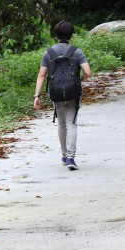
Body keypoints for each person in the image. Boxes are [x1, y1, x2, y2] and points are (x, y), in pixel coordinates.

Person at [34, 20, 92, 170]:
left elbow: (41, 75)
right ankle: (72, 157)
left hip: (56, 92)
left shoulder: (49, 52)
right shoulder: (76, 51)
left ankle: (64, 155)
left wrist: (37, 96)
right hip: (73, 92)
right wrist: (79, 81)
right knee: (71, 123)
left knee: (61, 124)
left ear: (55, 35)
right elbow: (87, 72)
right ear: (71, 34)